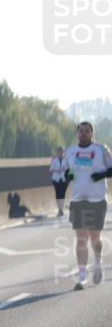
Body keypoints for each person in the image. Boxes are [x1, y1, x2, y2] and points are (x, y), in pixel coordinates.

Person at [62, 121, 112, 290]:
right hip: (78, 200)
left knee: (95, 238)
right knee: (81, 238)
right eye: (81, 131)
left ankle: (98, 261)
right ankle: (82, 277)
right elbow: (66, 170)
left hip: (97, 199)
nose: (83, 133)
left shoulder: (100, 150)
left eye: (87, 131)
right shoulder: (71, 152)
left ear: (92, 133)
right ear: (77, 133)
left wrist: (102, 174)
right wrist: (68, 175)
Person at [49, 146, 68, 218]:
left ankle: (61, 209)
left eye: (61, 152)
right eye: (59, 152)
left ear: (63, 152)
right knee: (57, 194)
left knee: (62, 193)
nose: (60, 153)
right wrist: (56, 170)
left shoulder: (66, 160)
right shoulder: (54, 160)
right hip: (56, 179)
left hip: (64, 179)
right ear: (57, 153)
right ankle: (59, 209)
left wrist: (65, 169)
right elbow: (50, 169)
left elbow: (70, 168)